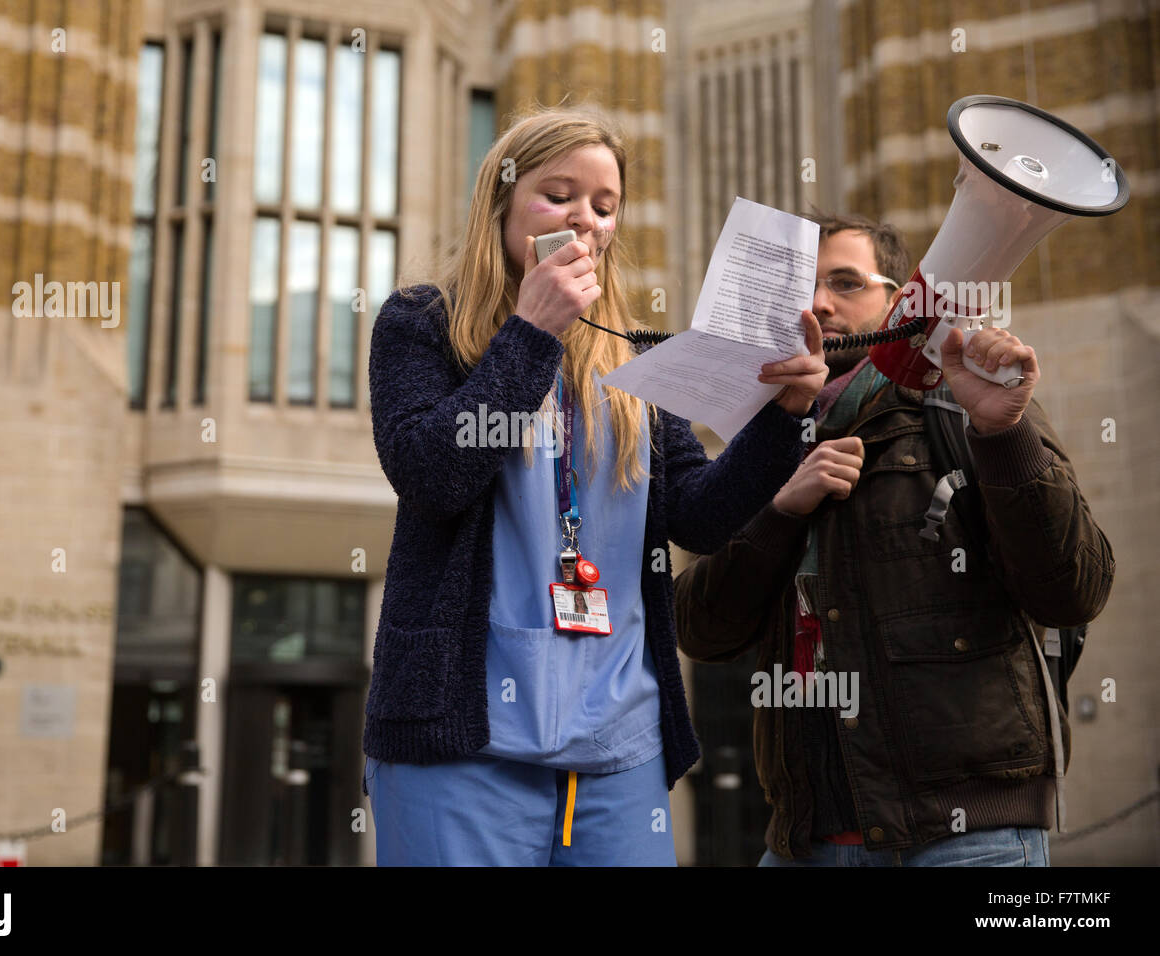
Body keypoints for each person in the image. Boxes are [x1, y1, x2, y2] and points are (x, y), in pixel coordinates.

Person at [361, 106, 828, 866]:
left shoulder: (633, 361)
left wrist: (786, 416)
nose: (585, 218)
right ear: (501, 203)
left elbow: (700, 517)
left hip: (618, 752)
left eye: (604, 206)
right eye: (559, 195)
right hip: (463, 745)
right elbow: (431, 473)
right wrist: (531, 335)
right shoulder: (422, 322)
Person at [674, 211, 1115, 866]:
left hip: (965, 838)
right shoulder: (761, 446)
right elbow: (701, 630)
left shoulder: (961, 409)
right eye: (804, 290)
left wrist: (1003, 434)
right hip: (806, 839)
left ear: (897, 304)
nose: (820, 304)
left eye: (846, 283)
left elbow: (1074, 587)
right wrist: (781, 514)